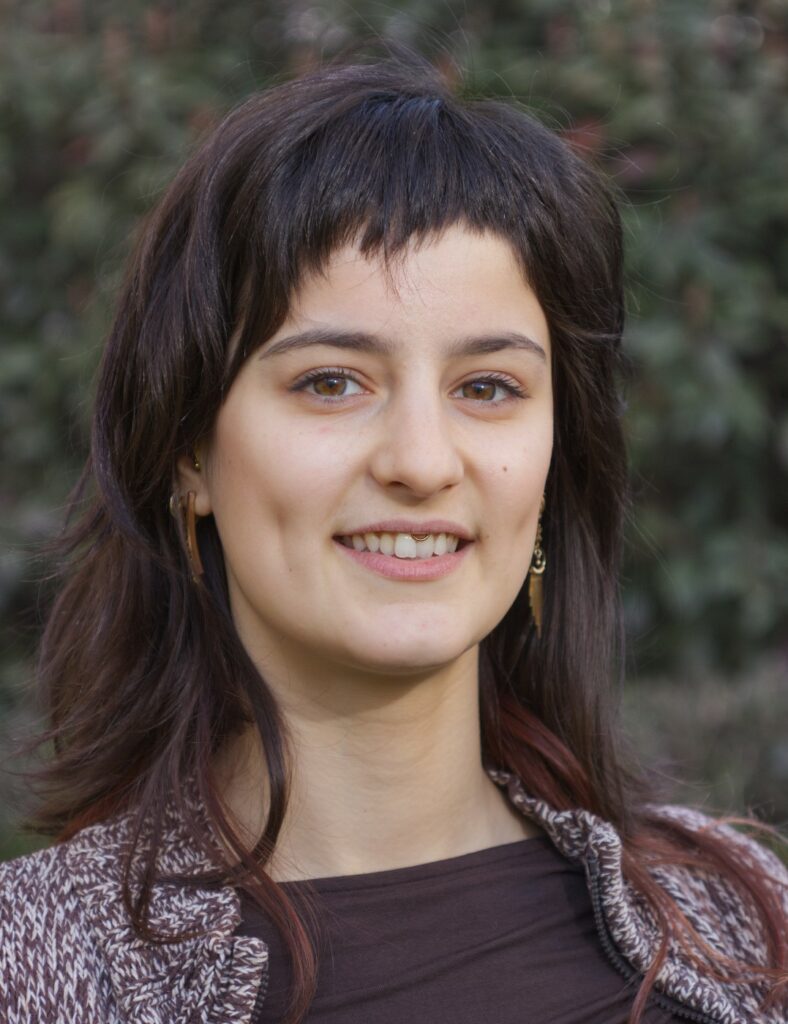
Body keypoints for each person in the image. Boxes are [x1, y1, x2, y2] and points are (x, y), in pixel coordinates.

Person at [1, 50, 785, 1024]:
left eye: (486, 387)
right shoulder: (36, 970)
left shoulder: (742, 918)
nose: (421, 461)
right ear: (188, 452)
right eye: (331, 381)